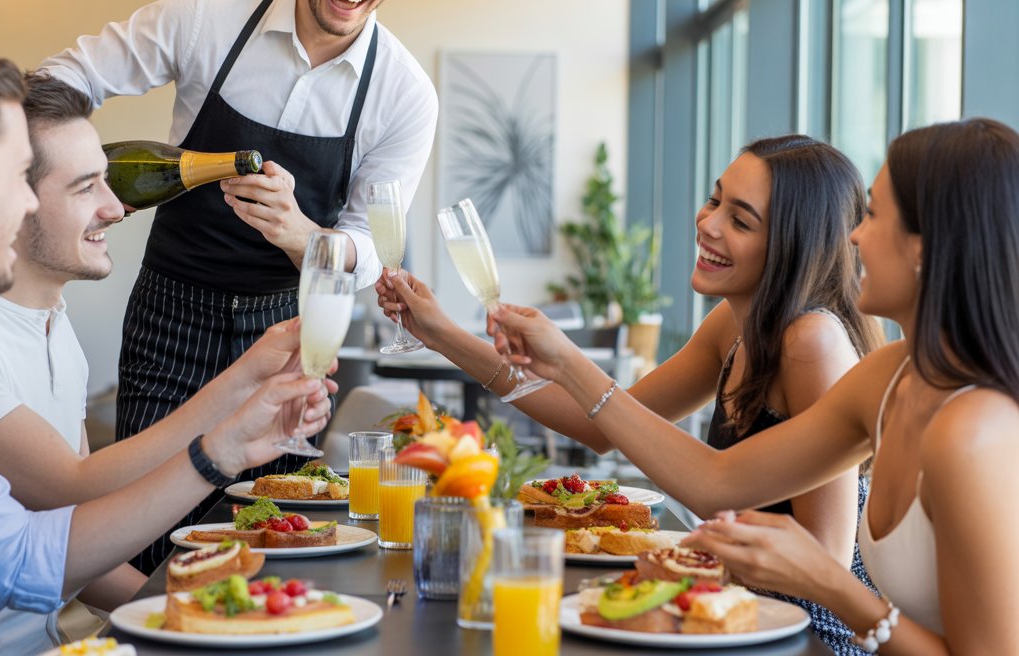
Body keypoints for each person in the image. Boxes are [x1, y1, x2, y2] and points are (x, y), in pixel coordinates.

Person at [0, 35, 332, 656]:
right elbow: (67, 493)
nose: (28, 203)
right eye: (15, 178)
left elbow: (21, 559)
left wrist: (225, 449)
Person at [40, 0, 436, 570]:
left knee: (272, 538)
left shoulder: (403, 93)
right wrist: (79, 180)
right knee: (150, 534)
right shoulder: (208, 15)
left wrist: (307, 237)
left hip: (286, 332)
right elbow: (67, 78)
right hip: (170, 314)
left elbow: (368, 248)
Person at [491, 119, 1019, 653]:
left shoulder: (972, 432)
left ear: (926, 248)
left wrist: (830, 583)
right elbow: (716, 481)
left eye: (874, 216)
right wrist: (556, 360)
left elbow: (830, 568)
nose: (853, 236)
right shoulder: (889, 376)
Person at [378, 135, 883, 653]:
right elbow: (601, 426)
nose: (706, 224)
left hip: (805, 635)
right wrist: (439, 333)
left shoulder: (812, 343)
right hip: (726, 616)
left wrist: (688, 569)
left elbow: (827, 560)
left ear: (794, 246)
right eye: (715, 201)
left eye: (741, 220)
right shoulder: (730, 327)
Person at [0, 74, 319, 654]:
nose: (118, 208)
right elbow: (68, 488)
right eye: (87, 187)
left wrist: (197, 613)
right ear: (13, 200)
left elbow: (80, 537)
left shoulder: (55, 328)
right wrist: (227, 436)